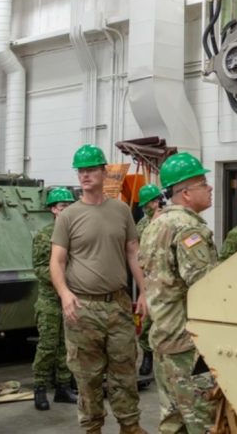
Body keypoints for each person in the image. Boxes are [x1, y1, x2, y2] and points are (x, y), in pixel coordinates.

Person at [50, 144, 148, 434]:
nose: (85, 175)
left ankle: (130, 426)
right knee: (87, 377)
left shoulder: (121, 211)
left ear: (104, 172)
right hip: (83, 307)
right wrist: (65, 294)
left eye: (91, 169)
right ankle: (92, 428)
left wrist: (143, 292)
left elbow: (133, 252)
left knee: (124, 372)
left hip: (117, 304)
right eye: (81, 170)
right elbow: (56, 261)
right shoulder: (68, 216)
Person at [140, 152, 220, 434]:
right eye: (203, 183)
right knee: (203, 421)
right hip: (188, 345)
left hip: (163, 336)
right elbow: (204, 282)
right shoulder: (188, 228)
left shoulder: (155, 225)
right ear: (185, 193)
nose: (209, 188)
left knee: (173, 422)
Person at [32, 186, 79, 410]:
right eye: (62, 206)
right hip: (51, 300)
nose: (67, 209)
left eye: (70, 206)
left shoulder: (77, 234)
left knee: (66, 346)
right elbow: (40, 268)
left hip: (72, 299)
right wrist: (61, 278)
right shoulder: (44, 235)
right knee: (48, 346)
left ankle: (63, 387)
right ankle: (40, 388)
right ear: (53, 210)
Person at [135, 183, 166, 379]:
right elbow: (138, 251)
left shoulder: (168, 219)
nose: (154, 205)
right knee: (146, 322)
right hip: (148, 278)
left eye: (156, 200)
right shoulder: (141, 225)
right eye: (150, 202)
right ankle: (147, 356)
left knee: (165, 322)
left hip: (166, 279)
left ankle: (164, 360)